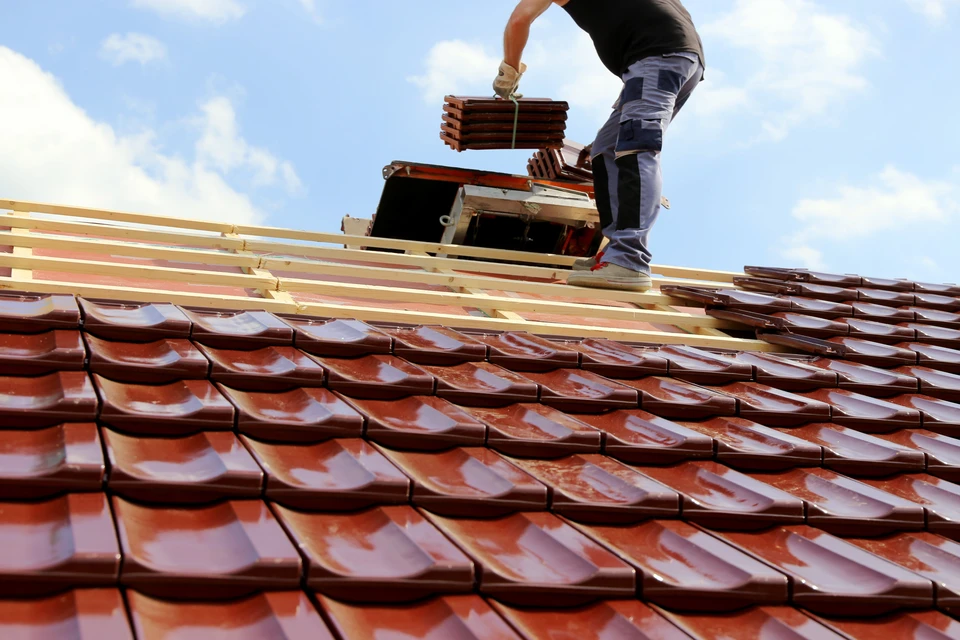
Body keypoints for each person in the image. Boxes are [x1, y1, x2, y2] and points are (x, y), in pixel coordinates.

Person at [494, 0, 705, 292]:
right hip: (675, 57)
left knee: (636, 148)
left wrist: (509, 71)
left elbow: (520, 19)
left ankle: (629, 259)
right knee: (607, 147)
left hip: (657, 56)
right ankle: (615, 250)